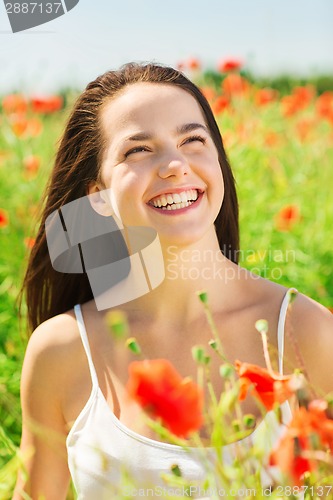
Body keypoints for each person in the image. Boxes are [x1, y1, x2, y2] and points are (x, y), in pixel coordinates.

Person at [13, 62, 333, 499]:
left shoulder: (303, 332)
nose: (176, 164)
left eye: (193, 140)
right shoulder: (62, 350)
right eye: (138, 150)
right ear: (98, 197)